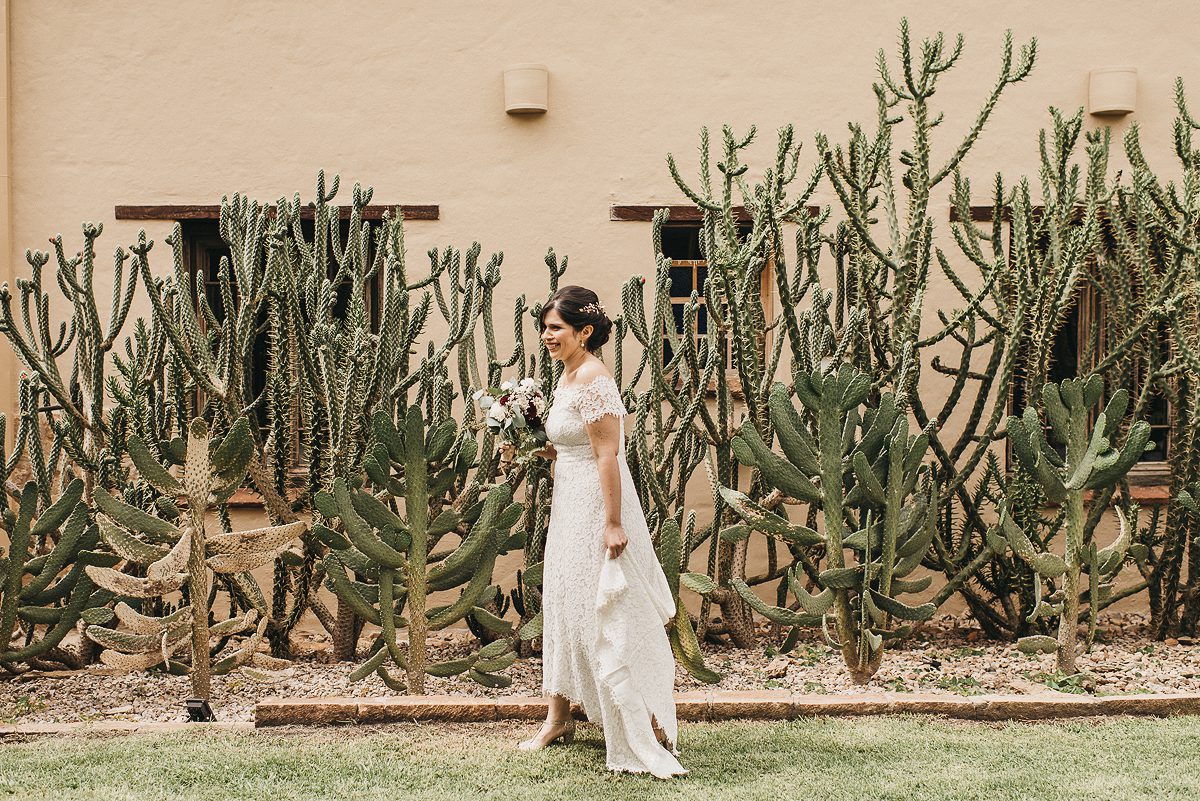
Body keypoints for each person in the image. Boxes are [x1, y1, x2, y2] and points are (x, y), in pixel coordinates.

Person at [510, 285, 687, 778]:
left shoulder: (593, 379)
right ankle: (558, 717)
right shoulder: (567, 375)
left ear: (584, 332)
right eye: (544, 327)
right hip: (568, 499)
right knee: (565, 600)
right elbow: (573, 446)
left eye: (556, 328)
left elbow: (608, 455)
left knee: (603, 603)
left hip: (596, 503)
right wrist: (528, 450)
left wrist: (612, 523)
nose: (547, 335)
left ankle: (634, 716)